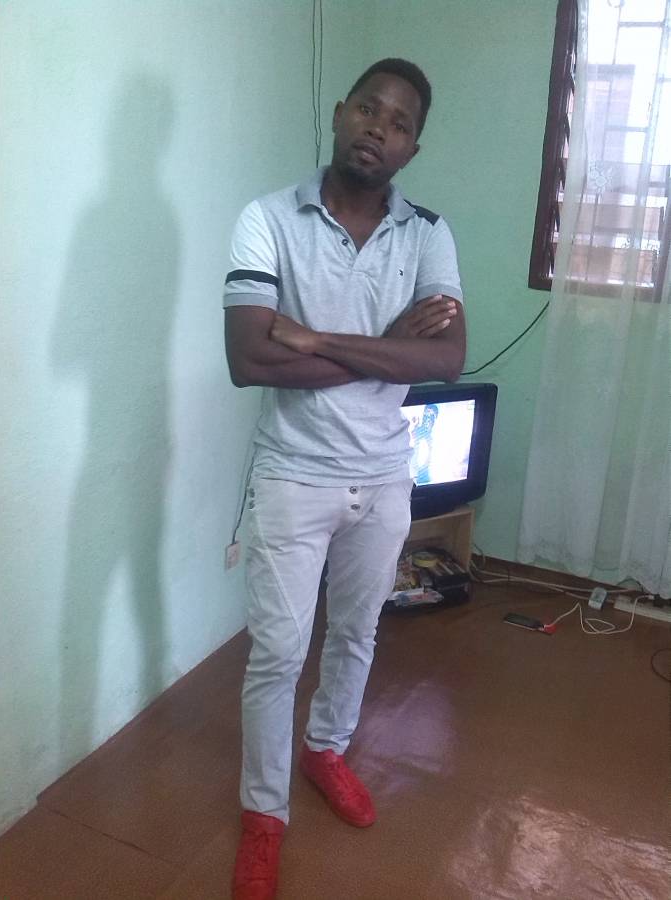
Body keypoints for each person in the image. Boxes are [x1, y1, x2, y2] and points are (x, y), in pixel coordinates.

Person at [224, 58, 466, 900]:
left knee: (357, 632)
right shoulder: (265, 219)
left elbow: (446, 357)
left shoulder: (427, 233)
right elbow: (249, 360)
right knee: (277, 652)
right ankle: (263, 814)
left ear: (411, 148)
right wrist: (388, 342)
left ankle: (324, 751)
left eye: (398, 123)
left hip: (384, 475)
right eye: (368, 109)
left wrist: (314, 337)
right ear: (338, 113)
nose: (378, 128)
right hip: (293, 474)